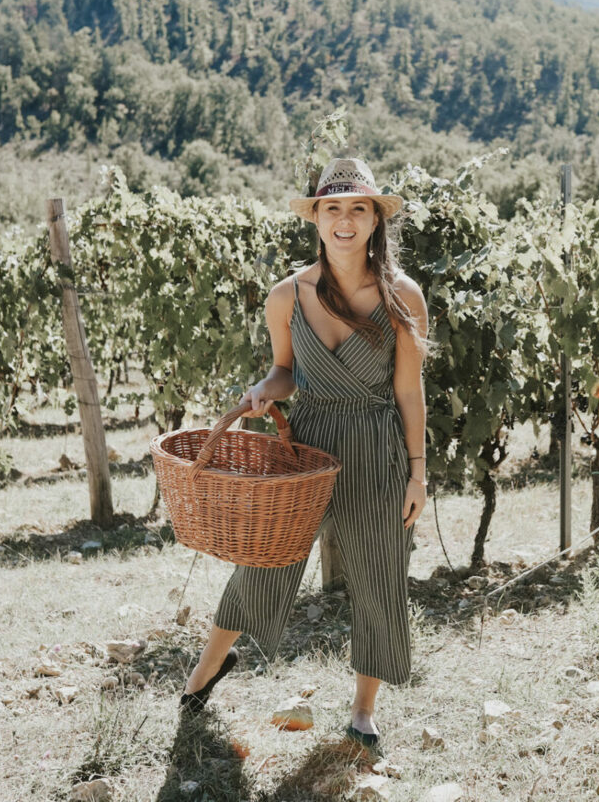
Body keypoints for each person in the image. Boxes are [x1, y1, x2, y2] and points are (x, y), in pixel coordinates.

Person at [179, 157, 430, 754]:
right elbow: (285, 370)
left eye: (358, 208)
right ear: (316, 217)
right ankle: (207, 669)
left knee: (378, 575)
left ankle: (364, 710)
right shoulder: (286, 294)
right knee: (266, 560)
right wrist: (267, 389)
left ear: (374, 220)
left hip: (376, 446)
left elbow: (408, 391)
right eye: (333, 208)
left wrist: (418, 471)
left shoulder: (403, 297)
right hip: (307, 447)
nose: (345, 220)